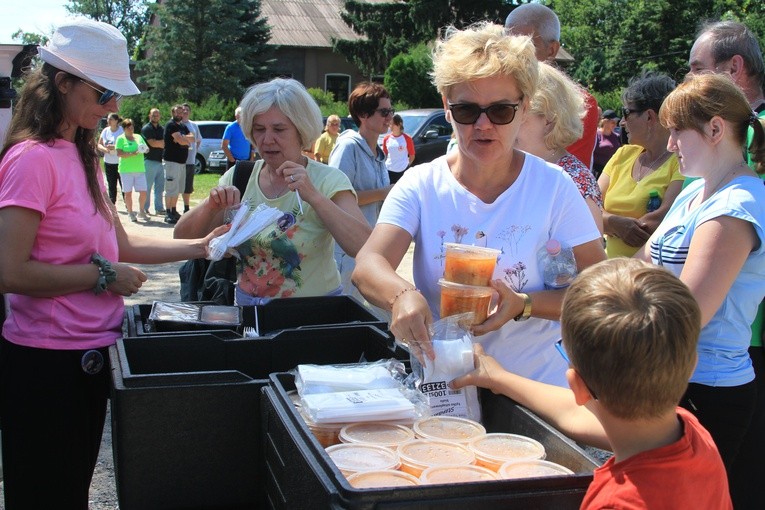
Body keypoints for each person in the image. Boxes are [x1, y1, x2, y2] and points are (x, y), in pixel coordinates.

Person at [0, 18, 225, 509]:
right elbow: (10, 272)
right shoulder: (32, 159)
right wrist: (102, 277)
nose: (114, 107)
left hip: (90, 357)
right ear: (62, 83)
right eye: (104, 94)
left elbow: (118, 242)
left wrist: (199, 246)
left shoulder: (78, 155)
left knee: (69, 492)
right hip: (45, 365)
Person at [351, 23, 606, 386]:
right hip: (448, 386)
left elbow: (599, 289)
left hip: (536, 390)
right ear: (447, 108)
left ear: (524, 107)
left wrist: (524, 304)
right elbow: (368, 264)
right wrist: (402, 295)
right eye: (468, 110)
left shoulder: (554, 187)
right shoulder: (422, 184)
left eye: (501, 111)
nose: (483, 125)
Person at [451, 258, 732, 509]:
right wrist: (499, 379)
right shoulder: (691, 433)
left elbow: (581, 410)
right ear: (691, 364)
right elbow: (577, 413)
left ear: (576, 386)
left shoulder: (617, 502)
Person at [633, 72, 765, 479]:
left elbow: (687, 314)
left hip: (707, 390)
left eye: (677, 132)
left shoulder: (738, 203)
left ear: (714, 128)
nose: (670, 144)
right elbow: (638, 262)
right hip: (672, 379)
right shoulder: (697, 188)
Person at [174, 78, 372, 304]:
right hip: (250, 316)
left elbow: (364, 246)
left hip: (314, 317)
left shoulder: (328, 180)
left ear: (301, 131)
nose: (267, 140)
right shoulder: (239, 178)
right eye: (259, 130)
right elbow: (181, 240)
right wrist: (210, 208)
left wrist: (314, 197)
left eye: (279, 129)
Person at [688, 20, 765, 508]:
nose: (688, 80)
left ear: (733, 68)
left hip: (740, 342)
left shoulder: (745, 147)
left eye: (697, 70)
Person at [598, 71, 684, 258]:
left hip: (650, 279)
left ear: (649, 117)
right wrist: (615, 224)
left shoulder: (680, 161)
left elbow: (665, 218)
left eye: (626, 113)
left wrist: (605, 221)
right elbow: (587, 207)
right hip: (608, 272)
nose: (622, 122)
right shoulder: (623, 154)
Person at [505, 3, 599, 170]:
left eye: (526, 46)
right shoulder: (492, 95)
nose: (513, 54)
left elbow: (564, 175)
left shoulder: (578, 104)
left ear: (552, 50)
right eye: (506, 45)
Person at [515, 62, 603, 232]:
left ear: (549, 120)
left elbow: (592, 257)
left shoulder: (576, 183)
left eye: (519, 116)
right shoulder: (525, 167)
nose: (505, 126)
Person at [328, 82, 393, 302]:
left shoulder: (378, 153)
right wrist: (385, 192)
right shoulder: (348, 147)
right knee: (343, 311)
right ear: (363, 115)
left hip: (369, 249)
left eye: (391, 111)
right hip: (346, 251)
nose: (389, 117)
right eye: (384, 112)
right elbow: (334, 198)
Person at [162, 104, 194, 224]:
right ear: (172, 113)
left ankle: (174, 210)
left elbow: (192, 137)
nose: (179, 114)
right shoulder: (171, 125)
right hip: (172, 161)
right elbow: (181, 140)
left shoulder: (182, 126)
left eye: (181, 112)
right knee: (170, 188)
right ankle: (168, 211)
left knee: (178, 188)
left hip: (182, 162)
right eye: (177, 112)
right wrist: (183, 140)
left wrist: (182, 138)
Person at [115, 118, 149, 223]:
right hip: (126, 170)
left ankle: (141, 211)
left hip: (139, 168)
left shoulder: (138, 137)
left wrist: (145, 149)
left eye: (132, 127)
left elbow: (146, 148)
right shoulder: (120, 139)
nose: (131, 129)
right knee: (128, 193)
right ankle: (130, 213)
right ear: (124, 129)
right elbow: (119, 153)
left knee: (143, 192)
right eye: (128, 128)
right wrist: (131, 154)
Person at [140, 108, 165, 216]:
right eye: (153, 115)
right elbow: (153, 144)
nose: (155, 117)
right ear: (149, 116)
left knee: (160, 187)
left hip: (161, 161)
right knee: (147, 187)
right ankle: (144, 208)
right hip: (149, 161)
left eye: (157, 115)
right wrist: (162, 143)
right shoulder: (147, 128)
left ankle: (159, 208)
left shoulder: (162, 129)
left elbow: (162, 143)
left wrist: (160, 143)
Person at [382, 113, 415, 184]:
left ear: (399, 124)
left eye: (392, 124)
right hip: (389, 170)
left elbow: (412, 155)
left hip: (402, 171)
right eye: (389, 124)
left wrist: (406, 165)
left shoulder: (407, 138)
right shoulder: (386, 139)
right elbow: (384, 155)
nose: (390, 126)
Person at [98, 112, 123, 204]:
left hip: (121, 161)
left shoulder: (122, 131)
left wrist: (115, 147)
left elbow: (126, 144)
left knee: (123, 184)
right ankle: (112, 205)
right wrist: (106, 150)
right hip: (108, 162)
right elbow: (99, 144)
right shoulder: (105, 131)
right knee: (111, 185)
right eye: (108, 119)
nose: (108, 120)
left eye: (111, 119)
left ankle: (127, 205)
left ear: (116, 121)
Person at [182, 102, 202, 213]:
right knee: (178, 185)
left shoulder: (194, 125)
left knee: (188, 185)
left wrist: (194, 151)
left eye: (187, 110)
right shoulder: (177, 124)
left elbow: (198, 140)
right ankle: (172, 208)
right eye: (183, 110)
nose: (185, 112)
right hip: (179, 160)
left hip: (190, 160)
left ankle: (186, 207)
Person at [592, 109, 621, 178]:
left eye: (616, 123)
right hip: (596, 172)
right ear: (605, 121)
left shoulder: (617, 137)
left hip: (611, 171)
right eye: (613, 122)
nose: (615, 125)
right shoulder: (595, 135)